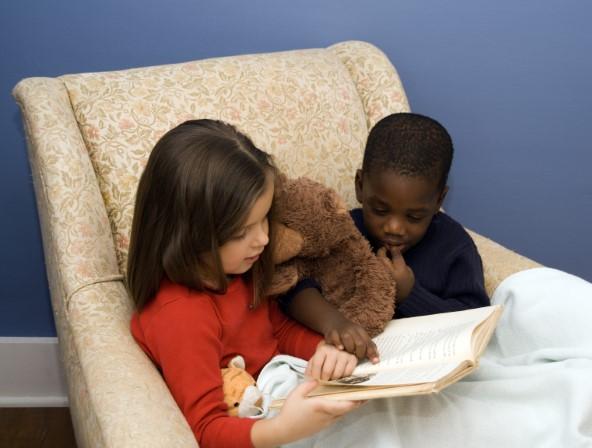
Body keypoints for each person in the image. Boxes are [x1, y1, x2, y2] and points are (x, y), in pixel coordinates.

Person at [126, 119, 361, 448]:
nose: (264, 239)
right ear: (187, 235)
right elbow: (207, 430)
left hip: (289, 388)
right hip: (264, 424)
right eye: (241, 232)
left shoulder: (234, 268)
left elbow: (274, 330)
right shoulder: (180, 316)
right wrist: (287, 429)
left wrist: (321, 351)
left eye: (265, 218)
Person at [280, 112, 490, 359]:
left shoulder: (453, 246)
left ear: (438, 200)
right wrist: (334, 322)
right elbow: (291, 286)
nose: (394, 227)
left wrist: (410, 294)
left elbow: (476, 320)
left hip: (426, 362)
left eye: (414, 217)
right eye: (380, 210)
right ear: (360, 185)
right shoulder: (341, 230)